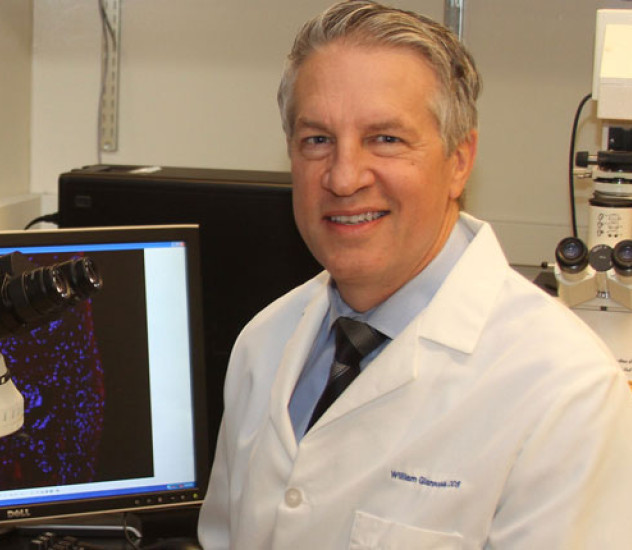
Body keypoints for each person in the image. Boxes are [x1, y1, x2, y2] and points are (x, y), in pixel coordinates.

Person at [197, 1, 632, 548]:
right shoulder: (264, 343)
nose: (344, 176)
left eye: (386, 138)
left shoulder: (565, 392)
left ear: (459, 160)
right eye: (317, 140)